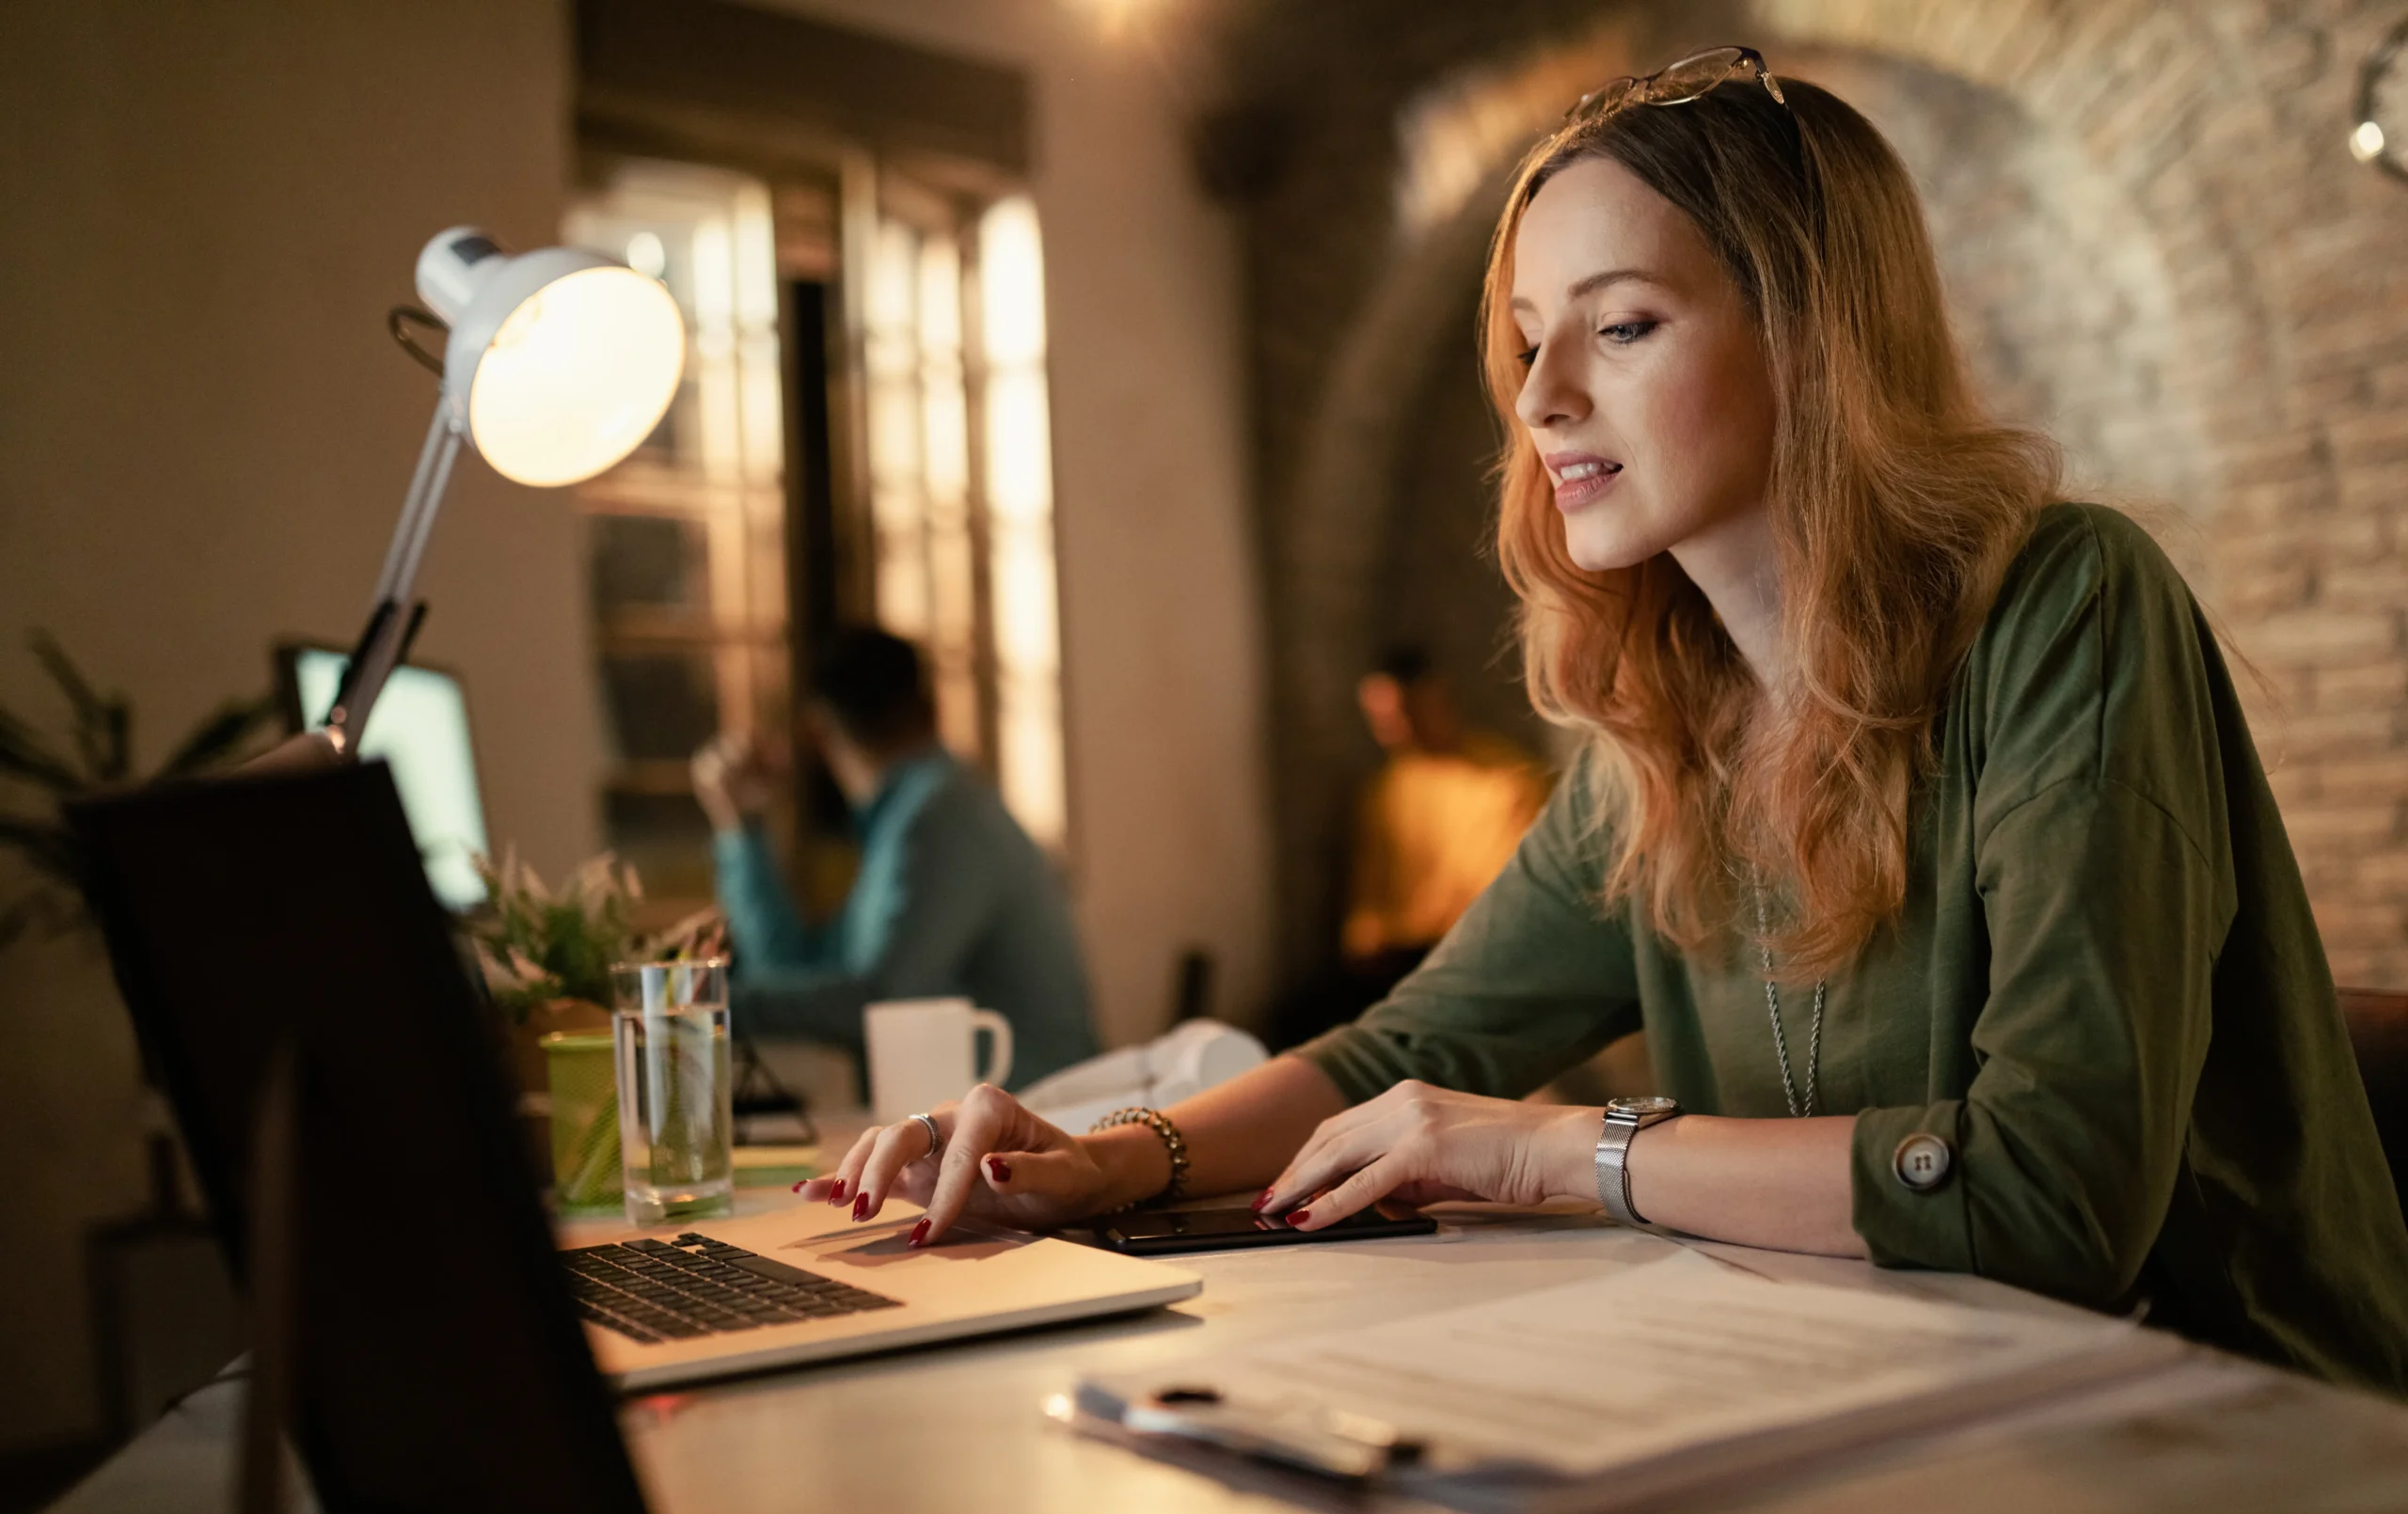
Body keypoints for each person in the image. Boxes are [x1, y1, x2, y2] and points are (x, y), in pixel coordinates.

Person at [798, 51, 2408, 1391]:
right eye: (1525, 338)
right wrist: (1101, 1151)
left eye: (1620, 325)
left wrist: (1559, 1151)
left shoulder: (2069, 606)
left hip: (2239, 1430)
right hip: (1895, 1397)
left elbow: (2053, 1196)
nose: (1541, 394)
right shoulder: (1668, 716)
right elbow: (1407, 1052)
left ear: (1808, 335)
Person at [691, 626, 1099, 1089]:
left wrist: (698, 1002)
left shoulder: (941, 818)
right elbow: (804, 968)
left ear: (816, 731)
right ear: (933, 708)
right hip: (994, 1108)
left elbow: (882, 1000)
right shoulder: (913, 818)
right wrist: (743, 829)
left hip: (1040, 1112)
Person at [1342, 645, 1548, 987]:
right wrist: (1364, 942)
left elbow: (1506, 896)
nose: (1395, 729)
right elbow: (1369, 892)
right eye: (1380, 719)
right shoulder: (1387, 787)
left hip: (1474, 952)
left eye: (1406, 712)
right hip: (1401, 957)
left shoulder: (1508, 781)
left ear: (1438, 700)